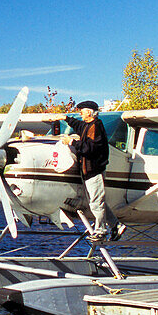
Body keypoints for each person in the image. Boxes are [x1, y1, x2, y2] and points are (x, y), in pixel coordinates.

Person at [48, 100, 121, 242]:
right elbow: (79, 126)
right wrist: (66, 118)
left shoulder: (96, 127)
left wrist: (71, 142)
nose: (80, 112)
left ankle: (101, 231)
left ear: (89, 112)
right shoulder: (89, 126)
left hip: (94, 170)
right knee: (96, 202)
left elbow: (91, 148)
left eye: (82, 110)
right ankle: (116, 225)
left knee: (96, 202)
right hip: (88, 171)